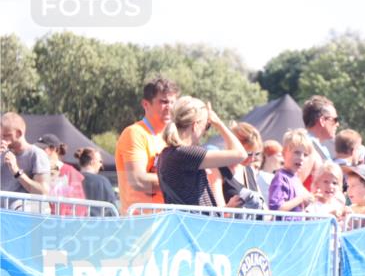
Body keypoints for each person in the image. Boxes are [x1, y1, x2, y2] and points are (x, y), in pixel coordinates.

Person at [156, 97, 247, 207]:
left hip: (188, 221)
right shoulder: (186, 154)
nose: (205, 132)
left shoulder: (167, 153)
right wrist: (218, 123)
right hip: (195, 222)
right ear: (195, 126)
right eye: (207, 126)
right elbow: (241, 154)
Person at [115, 77, 179, 214]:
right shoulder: (134, 133)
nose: (170, 107)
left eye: (173, 102)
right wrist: (181, 181)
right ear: (145, 104)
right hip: (139, 223)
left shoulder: (173, 137)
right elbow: (138, 180)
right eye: (164, 102)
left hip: (167, 222)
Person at [1, 112, 49, 211]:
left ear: (19, 133)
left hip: (23, 219)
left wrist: (16, 171)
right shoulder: (2, 153)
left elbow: (42, 192)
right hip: (3, 218)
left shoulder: (36, 154)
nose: (2, 140)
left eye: (6, 136)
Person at [35, 134, 87, 215]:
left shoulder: (70, 171)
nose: (37, 152)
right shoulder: (36, 169)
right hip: (42, 219)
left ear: (54, 149)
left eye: (42, 148)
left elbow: (79, 205)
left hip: (63, 221)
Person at [220, 122, 265, 210]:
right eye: (248, 154)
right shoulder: (218, 169)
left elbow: (265, 210)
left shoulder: (250, 170)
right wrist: (229, 208)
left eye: (256, 154)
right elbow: (215, 214)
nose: (252, 159)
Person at [268, 129, 314, 213]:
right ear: (283, 153)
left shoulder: (295, 178)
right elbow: (277, 208)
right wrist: (301, 198)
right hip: (284, 226)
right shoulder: (281, 178)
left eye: (305, 155)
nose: (301, 158)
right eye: (297, 152)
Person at [75, 148, 118, 215]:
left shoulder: (71, 179)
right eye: (100, 161)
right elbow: (112, 210)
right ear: (92, 161)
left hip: (74, 222)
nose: (101, 165)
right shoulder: (103, 182)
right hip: (97, 223)